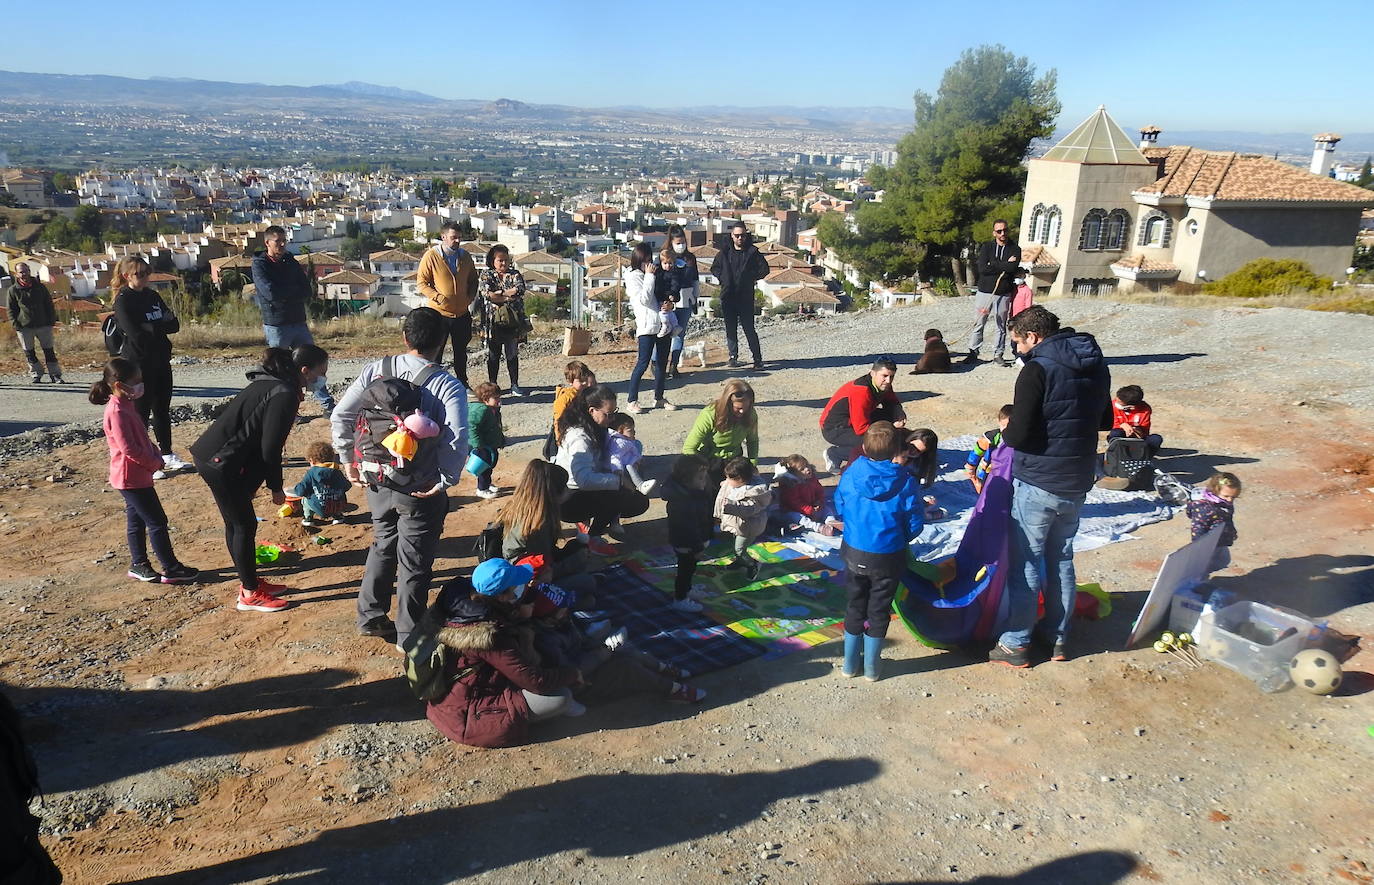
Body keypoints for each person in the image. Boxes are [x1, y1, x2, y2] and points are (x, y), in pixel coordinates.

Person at [331, 307, 470, 648]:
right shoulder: (447, 385)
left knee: (383, 541)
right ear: (442, 343)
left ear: (405, 338)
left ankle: (371, 615)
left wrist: (348, 459)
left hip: (376, 476)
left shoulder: (376, 370)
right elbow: (456, 437)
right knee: (415, 559)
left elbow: (341, 414)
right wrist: (446, 480)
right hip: (419, 485)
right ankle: (409, 635)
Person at [991, 306, 1112, 668]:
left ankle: (1017, 642)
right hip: (1077, 477)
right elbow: (1105, 418)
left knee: (1027, 559)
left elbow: (1019, 432)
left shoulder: (1037, 369)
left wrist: (1006, 436)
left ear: (1033, 336)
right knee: (1061, 558)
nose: (1017, 349)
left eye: (1017, 342)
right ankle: (1058, 637)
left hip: (1039, 478)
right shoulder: (1094, 361)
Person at [191, 345, 330, 612]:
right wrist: (275, 488)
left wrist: (252, 483)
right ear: (304, 370)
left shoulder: (273, 383)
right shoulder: (284, 393)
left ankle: (249, 582)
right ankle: (250, 594)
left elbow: (256, 439)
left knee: (236, 523)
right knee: (242, 526)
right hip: (220, 462)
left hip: (215, 457)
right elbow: (270, 448)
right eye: (320, 373)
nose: (321, 378)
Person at [424, 560, 586, 748]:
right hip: (467, 719)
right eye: (515, 587)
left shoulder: (461, 610)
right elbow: (535, 682)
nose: (520, 590)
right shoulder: (488, 636)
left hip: (445, 704)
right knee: (561, 697)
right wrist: (572, 674)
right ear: (502, 596)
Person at [89, 358, 198, 585]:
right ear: (119, 385)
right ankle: (171, 567)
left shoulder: (126, 405)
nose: (141, 385)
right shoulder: (117, 412)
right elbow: (128, 448)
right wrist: (153, 463)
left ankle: (139, 564)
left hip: (135, 475)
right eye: (136, 381)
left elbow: (141, 438)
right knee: (157, 520)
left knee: (137, 520)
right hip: (131, 477)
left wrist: (156, 454)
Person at [832, 421, 926, 682]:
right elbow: (915, 521)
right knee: (878, 609)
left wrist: (853, 526)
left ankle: (849, 666)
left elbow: (839, 503)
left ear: (863, 447)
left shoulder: (851, 473)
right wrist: (901, 538)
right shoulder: (905, 481)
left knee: (854, 605)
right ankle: (872, 668)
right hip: (888, 555)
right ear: (898, 449)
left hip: (854, 551)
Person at [112, 255, 187, 476]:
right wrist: (156, 327)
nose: (145, 277)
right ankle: (144, 459)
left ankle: (166, 453)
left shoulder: (152, 296)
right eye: (139, 274)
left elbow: (174, 324)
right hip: (138, 364)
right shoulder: (123, 300)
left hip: (161, 359)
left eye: (147, 273)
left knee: (162, 409)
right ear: (127, 276)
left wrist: (150, 327)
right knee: (140, 413)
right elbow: (135, 334)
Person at [251, 224, 335, 415]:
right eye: (277, 241)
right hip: (276, 324)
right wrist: (291, 291)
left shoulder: (290, 261)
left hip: (298, 321)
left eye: (283, 241)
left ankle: (327, 405)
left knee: (313, 362)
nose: (281, 245)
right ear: (267, 243)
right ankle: (283, 407)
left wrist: (286, 292)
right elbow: (270, 292)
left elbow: (306, 288)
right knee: (279, 367)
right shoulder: (259, 265)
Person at [553, 384, 651, 542]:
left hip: (585, 489)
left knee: (635, 498)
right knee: (620, 495)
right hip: (570, 496)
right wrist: (618, 481)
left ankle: (598, 526)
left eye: (615, 413)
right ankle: (592, 536)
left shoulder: (595, 427)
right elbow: (583, 479)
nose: (612, 419)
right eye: (608, 414)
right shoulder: (579, 437)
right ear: (592, 411)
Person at [498, 460, 597, 602]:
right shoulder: (538, 525)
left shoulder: (520, 507)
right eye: (564, 487)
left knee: (576, 547)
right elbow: (544, 571)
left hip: (521, 569)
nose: (567, 491)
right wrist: (578, 559)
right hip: (527, 581)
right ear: (552, 494)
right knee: (588, 583)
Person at [417, 220, 478, 386]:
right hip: (439, 314)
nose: (457, 241)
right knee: (436, 351)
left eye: (459, 237)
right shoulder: (431, 256)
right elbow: (421, 283)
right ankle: (433, 384)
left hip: (462, 314)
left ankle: (462, 383)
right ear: (443, 237)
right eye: (453, 237)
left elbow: (473, 280)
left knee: (461, 352)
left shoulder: (465, 257)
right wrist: (438, 297)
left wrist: (470, 297)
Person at [819, 356, 907, 472]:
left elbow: (892, 402)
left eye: (892, 376)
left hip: (854, 420)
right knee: (876, 445)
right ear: (872, 373)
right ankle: (835, 454)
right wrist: (888, 432)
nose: (888, 381)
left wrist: (898, 414)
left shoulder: (882, 385)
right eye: (884, 376)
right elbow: (861, 429)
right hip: (834, 428)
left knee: (889, 421)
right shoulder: (861, 391)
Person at [625, 242, 677, 414]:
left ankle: (659, 398)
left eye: (650, 260)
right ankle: (632, 400)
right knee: (643, 363)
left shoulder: (652, 274)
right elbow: (645, 299)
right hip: (647, 326)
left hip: (662, 323)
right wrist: (649, 276)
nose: (650, 265)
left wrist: (669, 304)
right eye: (646, 261)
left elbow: (660, 294)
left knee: (662, 363)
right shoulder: (634, 277)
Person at [963, 220, 1022, 367]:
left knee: (1000, 325)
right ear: (994, 233)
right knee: (979, 322)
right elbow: (982, 268)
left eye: (1005, 230)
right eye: (999, 231)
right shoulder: (987, 247)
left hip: (1004, 293)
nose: (1003, 234)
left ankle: (998, 354)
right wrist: (1004, 265)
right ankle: (973, 352)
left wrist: (994, 265)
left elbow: (1012, 268)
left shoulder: (1015, 249)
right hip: (984, 292)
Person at [475, 243, 529, 396]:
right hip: (493, 324)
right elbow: (487, 293)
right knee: (493, 355)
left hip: (512, 322)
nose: (503, 263)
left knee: (512, 354)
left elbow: (519, 289)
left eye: (506, 260)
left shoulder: (515, 274)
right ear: (493, 261)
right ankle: (493, 386)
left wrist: (499, 293)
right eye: (500, 260)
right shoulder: (486, 275)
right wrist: (508, 294)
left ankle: (514, 384)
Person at [714, 221, 770, 369]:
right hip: (728, 296)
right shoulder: (724, 253)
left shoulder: (753, 252)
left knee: (749, 328)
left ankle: (757, 359)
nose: (740, 238)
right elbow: (715, 268)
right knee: (730, 329)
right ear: (732, 236)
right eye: (737, 235)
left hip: (745, 297)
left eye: (743, 235)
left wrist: (750, 278)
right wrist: (724, 279)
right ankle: (733, 357)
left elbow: (764, 269)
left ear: (746, 236)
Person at [664, 454, 715, 613]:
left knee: (690, 568)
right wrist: (697, 547)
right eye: (700, 478)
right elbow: (688, 528)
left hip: (695, 541)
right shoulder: (683, 501)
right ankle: (680, 598)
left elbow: (703, 516)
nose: (704, 481)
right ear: (686, 481)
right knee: (685, 571)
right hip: (687, 544)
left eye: (704, 477)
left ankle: (688, 589)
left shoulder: (695, 494)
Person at [713, 456, 772, 582]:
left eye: (730, 478)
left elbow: (749, 509)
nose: (727, 481)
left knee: (739, 549)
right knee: (736, 544)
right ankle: (740, 562)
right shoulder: (736, 484)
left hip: (749, 526)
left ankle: (752, 564)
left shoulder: (756, 492)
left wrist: (730, 506)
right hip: (738, 524)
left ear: (740, 479)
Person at [5, 262, 62, 384]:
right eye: (21, 272)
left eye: (26, 271)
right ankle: (36, 373)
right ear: (16, 274)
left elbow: (48, 304)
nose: (24, 274)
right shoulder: (13, 290)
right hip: (24, 327)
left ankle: (55, 375)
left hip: (43, 325)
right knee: (29, 353)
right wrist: (16, 324)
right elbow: (11, 309)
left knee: (49, 351)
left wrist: (51, 320)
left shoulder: (40, 287)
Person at [682, 378, 759, 468]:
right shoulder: (709, 414)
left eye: (746, 407)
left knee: (756, 481)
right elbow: (688, 449)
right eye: (738, 408)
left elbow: (752, 441)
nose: (742, 411)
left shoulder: (750, 414)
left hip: (734, 460)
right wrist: (703, 467)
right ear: (728, 404)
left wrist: (752, 466)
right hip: (709, 460)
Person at [661, 225, 700, 378]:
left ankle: (673, 365)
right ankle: (658, 364)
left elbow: (695, 278)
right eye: (678, 242)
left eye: (683, 242)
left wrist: (695, 296)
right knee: (663, 333)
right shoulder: (665, 257)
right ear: (671, 242)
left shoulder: (690, 258)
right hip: (668, 300)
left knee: (679, 334)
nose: (681, 245)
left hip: (686, 299)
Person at [1187, 472, 1241, 574]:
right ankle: (1197, 580)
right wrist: (1199, 547)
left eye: (1233, 497)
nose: (1230, 500)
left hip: (1220, 538)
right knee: (1204, 565)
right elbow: (1198, 528)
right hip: (1208, 543)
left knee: (1223, 560)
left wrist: (1232, 531)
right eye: (1226, 496)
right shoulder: (1204, 509)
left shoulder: (1224, 503)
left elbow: (1228, 518)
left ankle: (1200, 575)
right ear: (1215, 491)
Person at [773, 454, 838, 536]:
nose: (807, 469)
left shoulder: (811, 479)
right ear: (793, 474)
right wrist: (809, 510)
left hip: (812, 508)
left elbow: (819, 491)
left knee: (826, 509)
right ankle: (818, 527)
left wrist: (818, 502)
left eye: (807, 465)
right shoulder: (791, 485)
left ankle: (831, 521)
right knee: (796, 517)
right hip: (795, 510)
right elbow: (794, 503)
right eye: (802, 469)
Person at [293, 440, 351, 528]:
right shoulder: (336, 472)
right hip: (337, 506)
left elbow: (301, 490)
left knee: (305, 499)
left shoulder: (311, 473)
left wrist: (296, 489)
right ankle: (338, 516)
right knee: (338, 498)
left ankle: (308, 519)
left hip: (319, 506)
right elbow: (347, 486)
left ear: (312, 460)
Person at [468, 381, 506, 499]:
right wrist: (477, 445)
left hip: (489, 444)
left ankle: (486, 484)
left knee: (489, 465)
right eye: (495, 398)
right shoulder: (482, 411)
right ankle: (482, 489)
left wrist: (501, 440)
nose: (499, 400)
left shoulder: (493, 409)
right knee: (484, 467)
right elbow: (471, 427)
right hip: (482, 445)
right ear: (485, 399)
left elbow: (496, 426)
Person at [966, 404, 1013, 495]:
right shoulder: (992, 438)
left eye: (1010, 427)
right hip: (988, 474)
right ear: (999, 422)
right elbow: (976, 452)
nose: (1006, 431)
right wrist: (971, 470)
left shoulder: (1017, 440)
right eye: (1004, 426)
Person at [607, 413, 656, 495]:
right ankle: (640, 485)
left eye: (634, 429)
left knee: (637, 444)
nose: (634, 432)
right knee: (630, 467)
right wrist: (617, 470)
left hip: (629, 460)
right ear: (619, 431)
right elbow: (615, 457)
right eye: (630, 430)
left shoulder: (625, 441)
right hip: (623, 468)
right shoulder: (619, 443)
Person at [551, 360, 595, 447]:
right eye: (580, 380)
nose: (585, 383)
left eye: (585, 379)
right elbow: (558, 419)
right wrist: (559, 438)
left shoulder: (584, 394)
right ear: (570, 381)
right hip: (566, 434)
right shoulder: (565, 399)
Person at [1109, 385, 1163, 455]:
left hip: (1137, 438)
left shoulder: (1144, 410)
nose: (1116, 402)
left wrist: (1137, 431)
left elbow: (1145, 429)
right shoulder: (1112, 406)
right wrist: (1121, 425)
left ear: (1132, 407)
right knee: (1116, 433)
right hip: (1121, 436)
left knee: (1156, 439)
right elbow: (1108, 423)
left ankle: (1144, 458)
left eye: (1120, 402)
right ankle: (1118, 455)